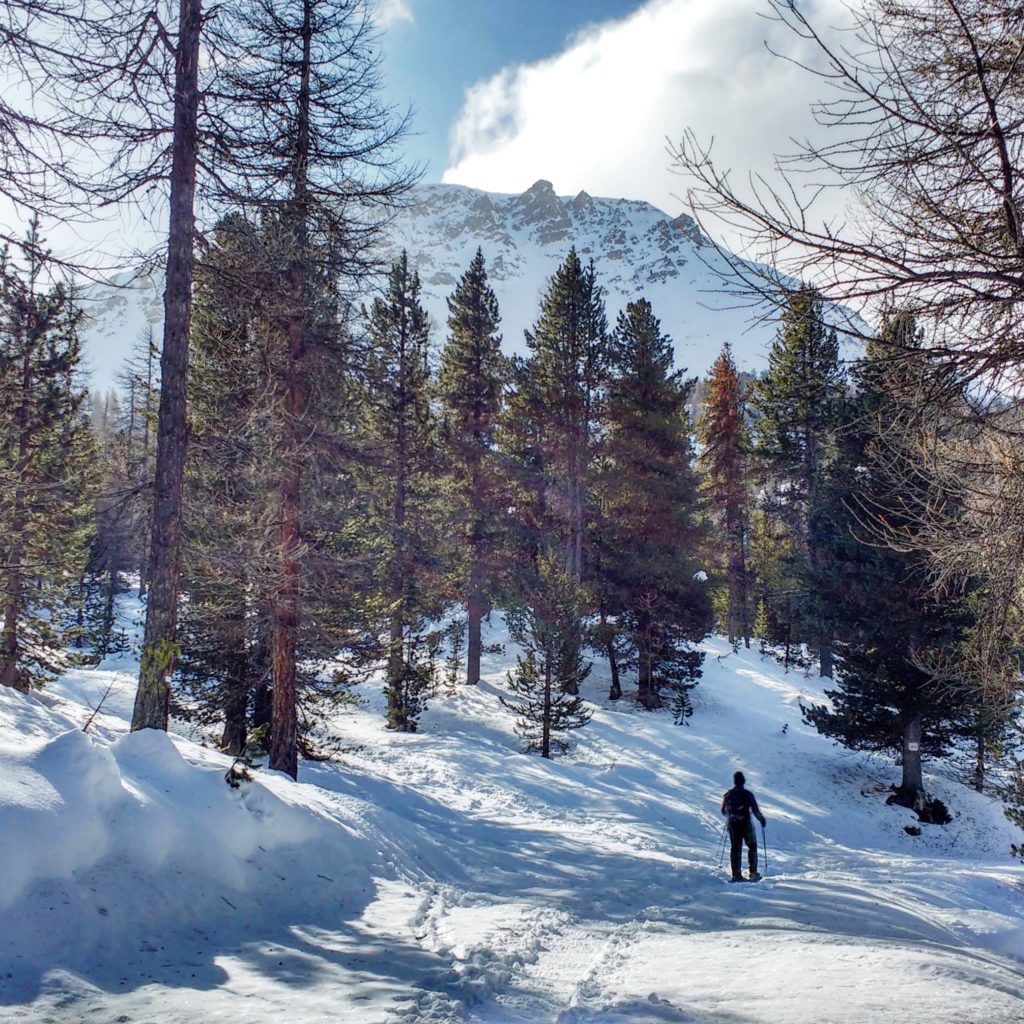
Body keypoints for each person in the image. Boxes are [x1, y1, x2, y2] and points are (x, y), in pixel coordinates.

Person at [721, 770, 766, 882]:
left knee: (735, 848)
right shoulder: (747, 794)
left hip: (732, 824)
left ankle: (736, 875)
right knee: (752, 846)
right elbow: (755, 810)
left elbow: (723, 811)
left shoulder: (728, 794)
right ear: (743, 781)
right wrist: (762, 820)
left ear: (734, 781)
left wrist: (731, 816)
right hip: (745, 824)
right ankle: (753, 873)